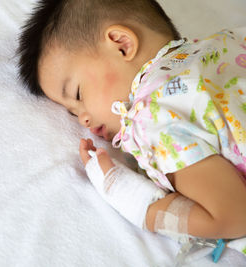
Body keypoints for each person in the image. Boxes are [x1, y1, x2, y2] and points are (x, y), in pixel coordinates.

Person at [16, 0, 246, 256]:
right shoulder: (225, 42)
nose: (82, 119)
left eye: (78, 94)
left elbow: (233, 214)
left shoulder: (153, 116)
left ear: (122, 45)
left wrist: (137, 202)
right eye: (72, 112)